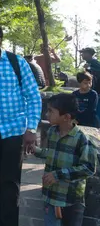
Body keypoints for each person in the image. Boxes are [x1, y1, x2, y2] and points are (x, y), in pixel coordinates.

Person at [0, 23, 42, 226]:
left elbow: (33, 97)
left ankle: (10, 223)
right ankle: (0, 220)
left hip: (14, 132)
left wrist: (31, 129)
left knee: (10, 183)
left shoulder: (16, 62)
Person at [42, 93, 96, 226]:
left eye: (50, 111)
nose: (46, 115)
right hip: (51, 195)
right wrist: (36, 150)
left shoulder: (82, 139)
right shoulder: (52, 132)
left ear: (66, 117)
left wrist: (58, 175)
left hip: (71, 200)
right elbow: (52, 153)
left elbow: (89, 168)